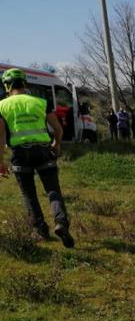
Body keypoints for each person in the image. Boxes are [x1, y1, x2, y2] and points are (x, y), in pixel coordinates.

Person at [0, 68, 75, 247]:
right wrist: (56, 145)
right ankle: (61, 223)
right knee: (53, 190)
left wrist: (0, 161)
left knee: (29, 195)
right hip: (43, 151)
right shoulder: (41, 101)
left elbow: (0, 137)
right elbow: (58, 129)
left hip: (19, 154)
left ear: (7, 85)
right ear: (25, 83)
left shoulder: (1, 106)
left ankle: (41, 230)